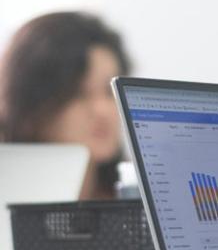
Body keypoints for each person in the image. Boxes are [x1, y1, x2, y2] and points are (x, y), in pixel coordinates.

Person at [0, 12, 132, 200]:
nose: (102, 110)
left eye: (110, 92)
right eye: (79, 93)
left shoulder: (138, 204)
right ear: (30, 101)